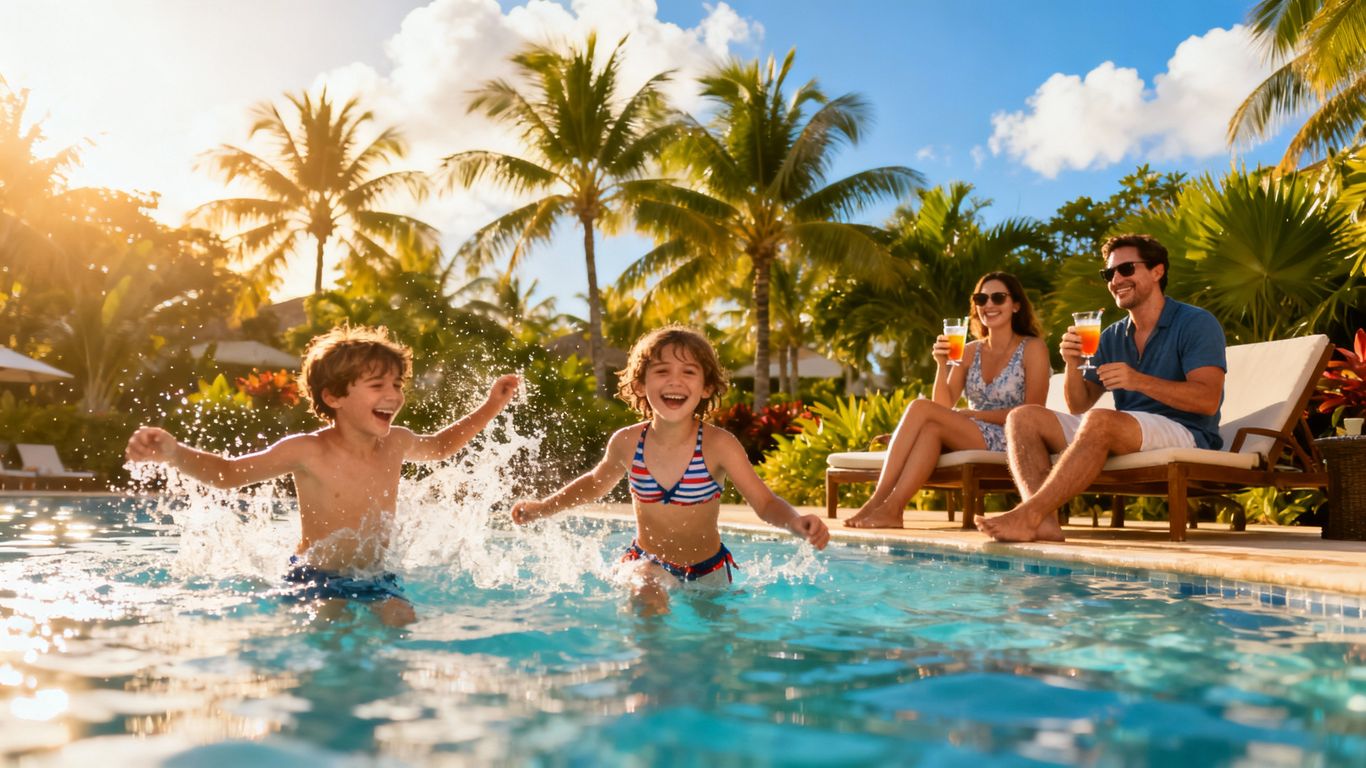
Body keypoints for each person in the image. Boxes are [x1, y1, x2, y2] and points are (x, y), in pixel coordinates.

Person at [125, 325, 520, 626]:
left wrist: (491, 405)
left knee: (402, 619)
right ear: (334, 397)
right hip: (316, 577)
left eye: (397, 384)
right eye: (377, 385)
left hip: (375, 576)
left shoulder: (396, 442)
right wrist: (174, 453)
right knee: (330, 623)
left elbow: (440, 446)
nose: (394, 394)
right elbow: (229, 474)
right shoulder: (308, 451)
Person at [509, 325, 830, 615]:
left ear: (706, 387)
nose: (675, 380)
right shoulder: (627, 442)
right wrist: (543, 507)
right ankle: (649, 660)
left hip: (709, 570)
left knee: (717, 640)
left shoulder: (719, 445)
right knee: (646, 591)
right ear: (640, 384)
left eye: (689, 372)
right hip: (646, 562)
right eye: (662, 371)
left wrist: (795, 521)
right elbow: (594, 483)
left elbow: (765, 503)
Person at [977, 233, 1226, 542]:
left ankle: (1029, 514)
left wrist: (1137, 380)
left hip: (1186, 430)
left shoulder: (1195, 323)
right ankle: (1045, 522)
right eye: (1109, 274)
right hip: (1128, 429)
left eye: (1126, 269)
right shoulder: (1111, 336)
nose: (1116, 280)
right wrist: (1072, 364)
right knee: (1023, 417)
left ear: (1157, 271)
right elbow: (1079, 404)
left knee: (1101, 421)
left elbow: (1207, 400)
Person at [845, 272, 1051, 528]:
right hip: (973, 432)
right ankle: (893, 509)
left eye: (998, 298)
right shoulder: (969, 350)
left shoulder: (1033, 348)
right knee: (930, 429)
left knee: (920, 408)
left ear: (1016, 305)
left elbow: (1032, 411)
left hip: (1012, 436)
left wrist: (974, 415)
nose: (988, 305)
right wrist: (942, 365)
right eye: (981, 299)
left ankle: (875, 501)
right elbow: (942, 406)